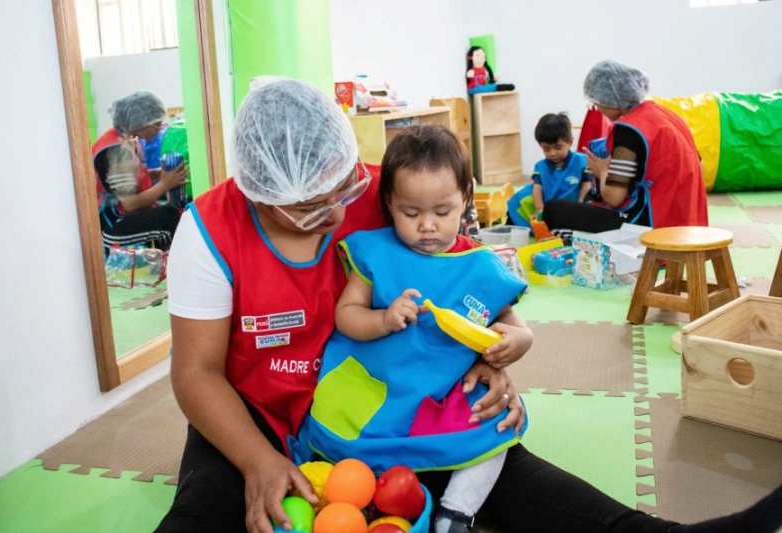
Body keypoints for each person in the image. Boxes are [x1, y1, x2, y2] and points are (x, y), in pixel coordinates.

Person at [156, 79, 781, 533]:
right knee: (204, 511)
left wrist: (490, 358)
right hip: (255, 412)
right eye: (310, 209)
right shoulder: (209, 231)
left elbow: (468, 287)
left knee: (503, 469)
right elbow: (196, 374)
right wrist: (259, 460)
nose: (335, 216)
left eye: (340, 190)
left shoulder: (389, 193)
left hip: (388, 397)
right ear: (256, 192)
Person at [300, 125, 533, 533]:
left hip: (440, 392)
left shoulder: (480, 267)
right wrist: (383, 319)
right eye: (411, 213)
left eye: (442, 212)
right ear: (390, 203)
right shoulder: (377, 252)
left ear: (465, 198)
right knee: (343, 440)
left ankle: (457, 512)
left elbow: (515, 326)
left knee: (499, 430)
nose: (427, 226)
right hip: (377, 382)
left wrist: (519, 341)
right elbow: (346, 315)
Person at [543, 60, 709, 234]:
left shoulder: (628, 130)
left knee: (554, 209)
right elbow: (701, 168)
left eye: (596, 102)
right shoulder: (667, 115)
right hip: (690, 224)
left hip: (651, 226)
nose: (597, 108)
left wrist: (602, 170)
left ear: (612, 98)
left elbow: (614, 198)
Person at [92, 91, 188, 251]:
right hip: (113, 225)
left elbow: (124, 182)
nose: (159, 128)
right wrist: (165, 184)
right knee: (171, 218)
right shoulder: (117, 150)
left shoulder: (125, 140)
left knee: (170, 211)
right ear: (140, 122)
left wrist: (155, 174)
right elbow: (130, 204)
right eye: (156, 123)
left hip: (120, 215)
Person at [507, 113, 594, 228]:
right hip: (550, 207)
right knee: (519, 198)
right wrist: (540, 211)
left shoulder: (581, 161)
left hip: (573, 207)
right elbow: (537, 189)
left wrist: (581, 206)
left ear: (570, 142)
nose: (552, 153)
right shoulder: (540, 167)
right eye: (546, 149)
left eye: (558, 147)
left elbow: (587, 186)